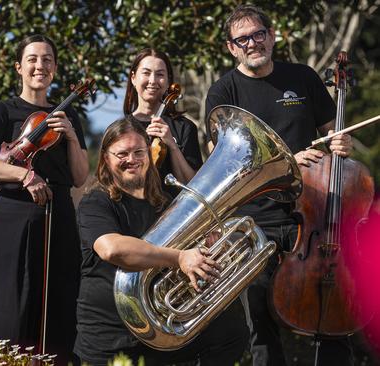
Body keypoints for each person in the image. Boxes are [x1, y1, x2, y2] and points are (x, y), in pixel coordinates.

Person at [205, 5, 354, 366]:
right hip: (255, 222)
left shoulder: (302, 77)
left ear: (271, 36)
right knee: (260, 319)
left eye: (258, 34)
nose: (253, 43)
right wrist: (287, 162)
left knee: (330, 310)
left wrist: (341, 143)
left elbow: (330, 132)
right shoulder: (223, 92)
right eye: (243, 39)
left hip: (314, 211)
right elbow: (220, 163)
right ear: (231, 48)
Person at [74, 118, 249, 366]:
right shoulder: (96, 202)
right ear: (105, 158)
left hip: (159, 328)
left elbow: (190, 257)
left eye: (138, 152)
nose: (131, 159)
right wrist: (179, 257)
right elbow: (112, 248)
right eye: (121, 154)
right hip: (111, 336)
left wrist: (205, 249)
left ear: (150, 153)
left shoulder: (164, 203)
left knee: (231, 332)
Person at [0, 34, 88, 364]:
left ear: (55, 68)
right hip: (12, 215)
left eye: (47, 60)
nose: (40, 65)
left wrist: (72, 138)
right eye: (32, 59)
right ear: (19, 67)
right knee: (10, 307)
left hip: (56, 215)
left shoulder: (69, 116)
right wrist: (24, 174)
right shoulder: (3, 111)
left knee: (57, 306)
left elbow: (79, 177)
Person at [122, 48, 202, 197]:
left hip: (174, 214)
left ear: (168, 81)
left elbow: (193, 186)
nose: (152, 80)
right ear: (133, 78)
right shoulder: (120, 129)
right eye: (146, 73)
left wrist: (171, 145)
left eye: (160, 74)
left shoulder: (184, 127)